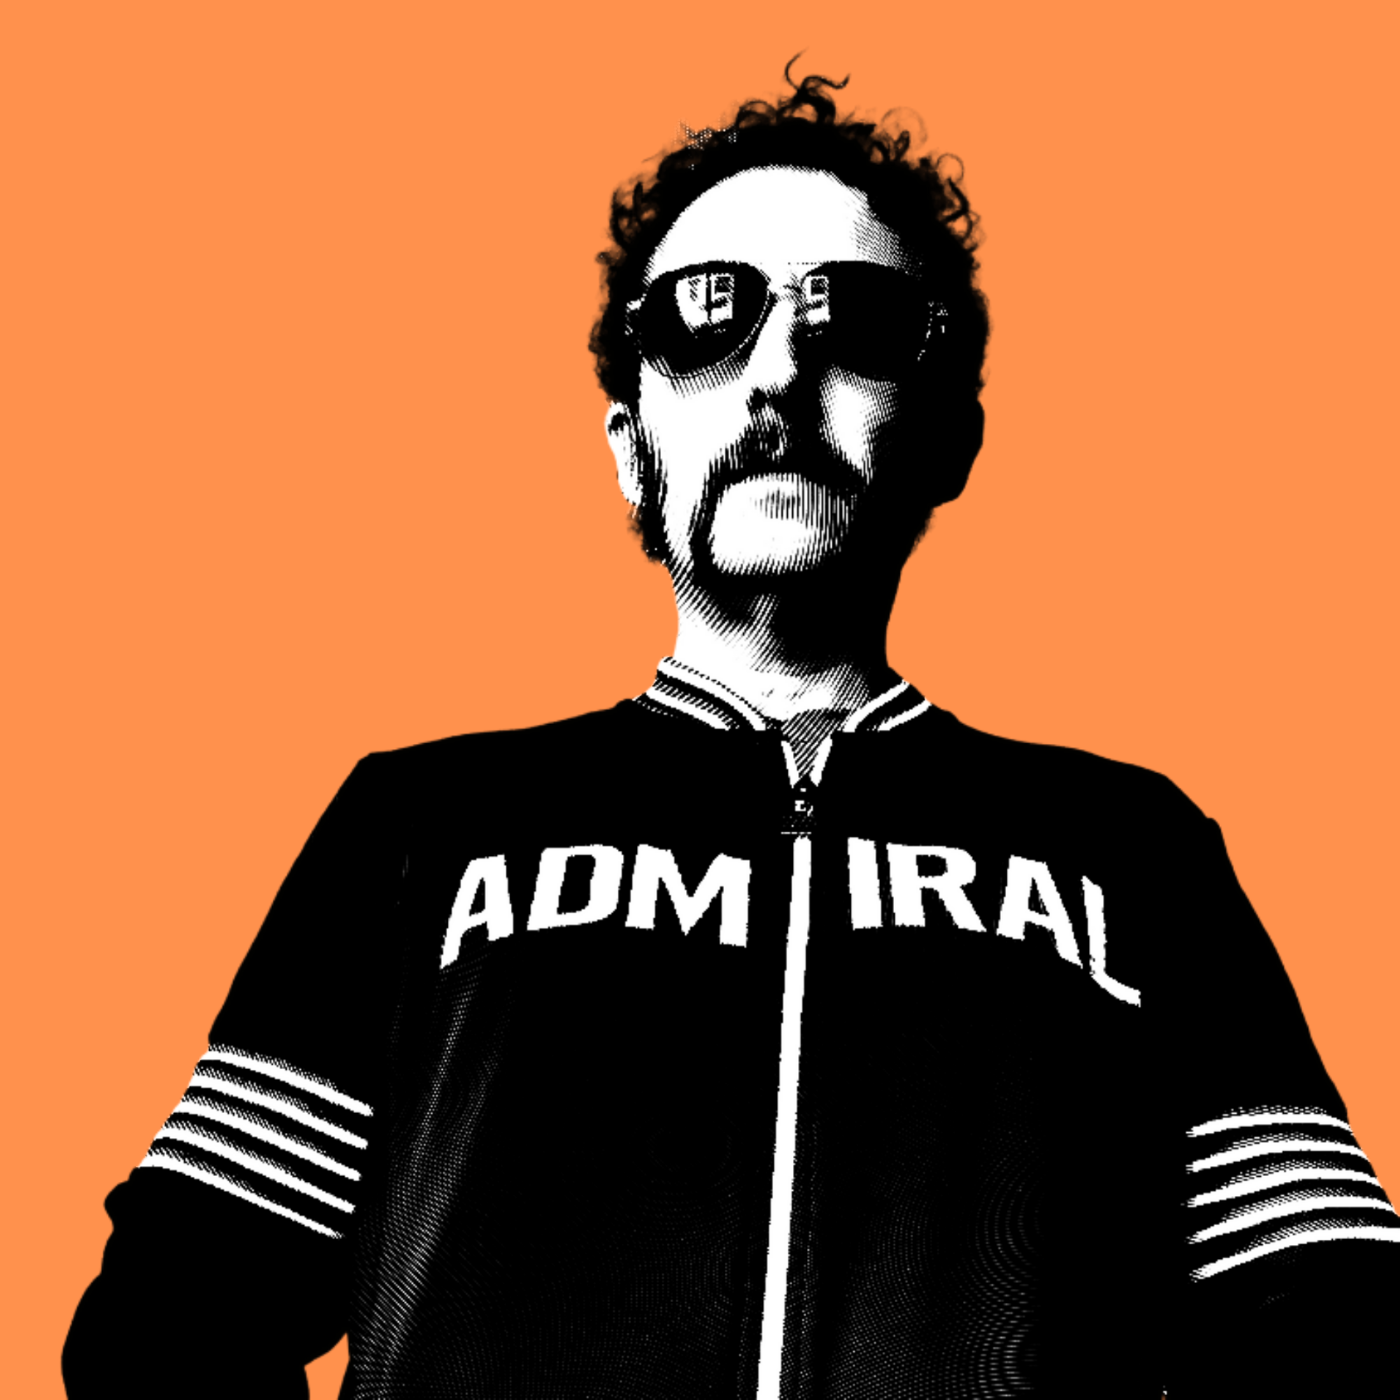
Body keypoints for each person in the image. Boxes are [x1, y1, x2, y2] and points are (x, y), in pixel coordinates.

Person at [64, 69, 1398, 1399]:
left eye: (856, 319)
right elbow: (171, 1322)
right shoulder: (420, 828)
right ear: (627, 446)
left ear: (946, 436)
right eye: (704, 316)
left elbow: (1333, 1327)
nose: (778, 371)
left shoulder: (1132, 851)